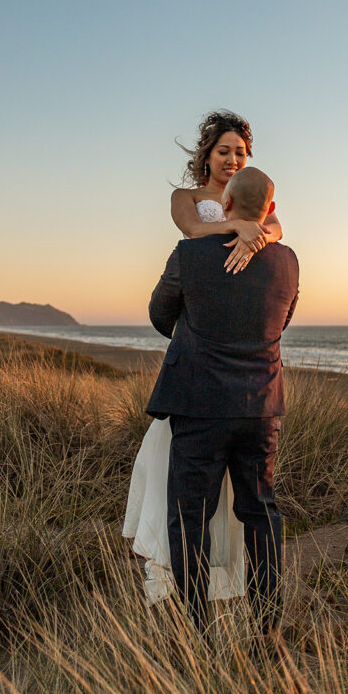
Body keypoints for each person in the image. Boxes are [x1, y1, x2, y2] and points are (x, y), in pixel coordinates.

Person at [122, 111, 283, 604]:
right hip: (233, 379)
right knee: (233, 505)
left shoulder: (262, 205)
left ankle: (212, 609)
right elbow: (193, 228)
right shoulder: (188, 200)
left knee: (206, 507)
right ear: (206, 155)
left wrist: (261, 234)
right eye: (224, 151)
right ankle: (243, 608)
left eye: (241, 152)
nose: (233, 159)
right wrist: (244, 228)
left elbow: (277, 230)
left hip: (213, 382)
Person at [147, 166, 299, 631]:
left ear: (226, 206)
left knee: (188, 516)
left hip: (198, 404)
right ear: (269, 211)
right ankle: (267, 627)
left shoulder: (190, 253)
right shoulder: (288, 260)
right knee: (261, 511)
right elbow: (282, 320)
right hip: (261, 406)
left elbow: (159, 314)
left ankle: (197, 628)